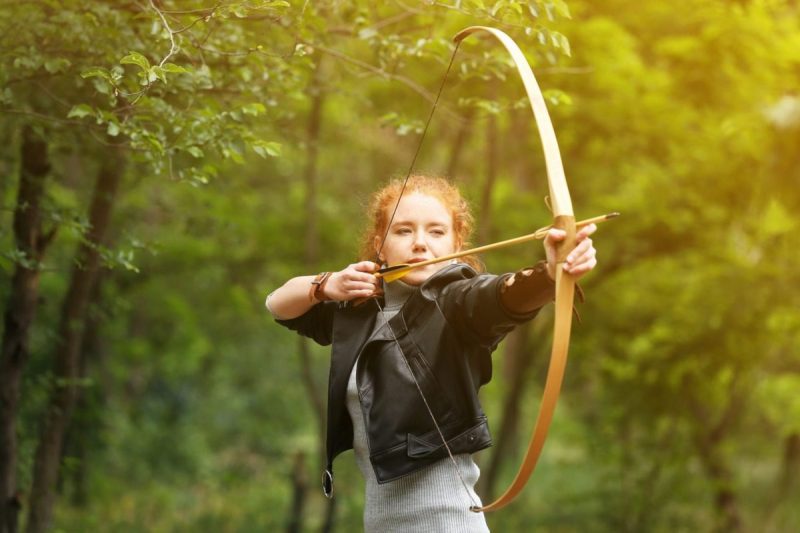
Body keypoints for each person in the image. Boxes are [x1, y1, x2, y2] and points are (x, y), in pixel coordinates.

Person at [266, 175, 598, 532]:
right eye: (404, 231)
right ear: (380, 244)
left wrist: (550, 273)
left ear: (457, 242)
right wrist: (325, 285)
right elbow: (278, 305)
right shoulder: (358, 311)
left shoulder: (457, 303)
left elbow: (505, 296)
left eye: (436, 232)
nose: (420, 243)